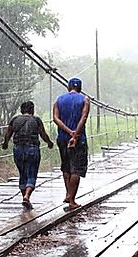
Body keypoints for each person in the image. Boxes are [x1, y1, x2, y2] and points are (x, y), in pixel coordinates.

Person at [1, 101, 54, 210]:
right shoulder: (36, 120)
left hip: (18, 149)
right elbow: (43, 134)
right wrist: (49, 143)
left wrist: (5, 144)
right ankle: (27, 196)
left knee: (22, 174)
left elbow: (8, 134)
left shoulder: (14, 120)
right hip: (32, 149)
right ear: (32, 110)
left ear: (21, 110)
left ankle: (25, 198)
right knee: (32, 173)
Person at [53, 77, 91, 211]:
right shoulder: (85, 99)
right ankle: (72, 200)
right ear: (80, 88)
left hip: (63, 138)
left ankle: (68, 194)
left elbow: (55, 118)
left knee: (66, 167)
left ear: (68, 87)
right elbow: (84, 117)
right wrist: (75, 134)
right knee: (77, 168)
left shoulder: (58, 99)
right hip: (79, 139)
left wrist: (68, 132)